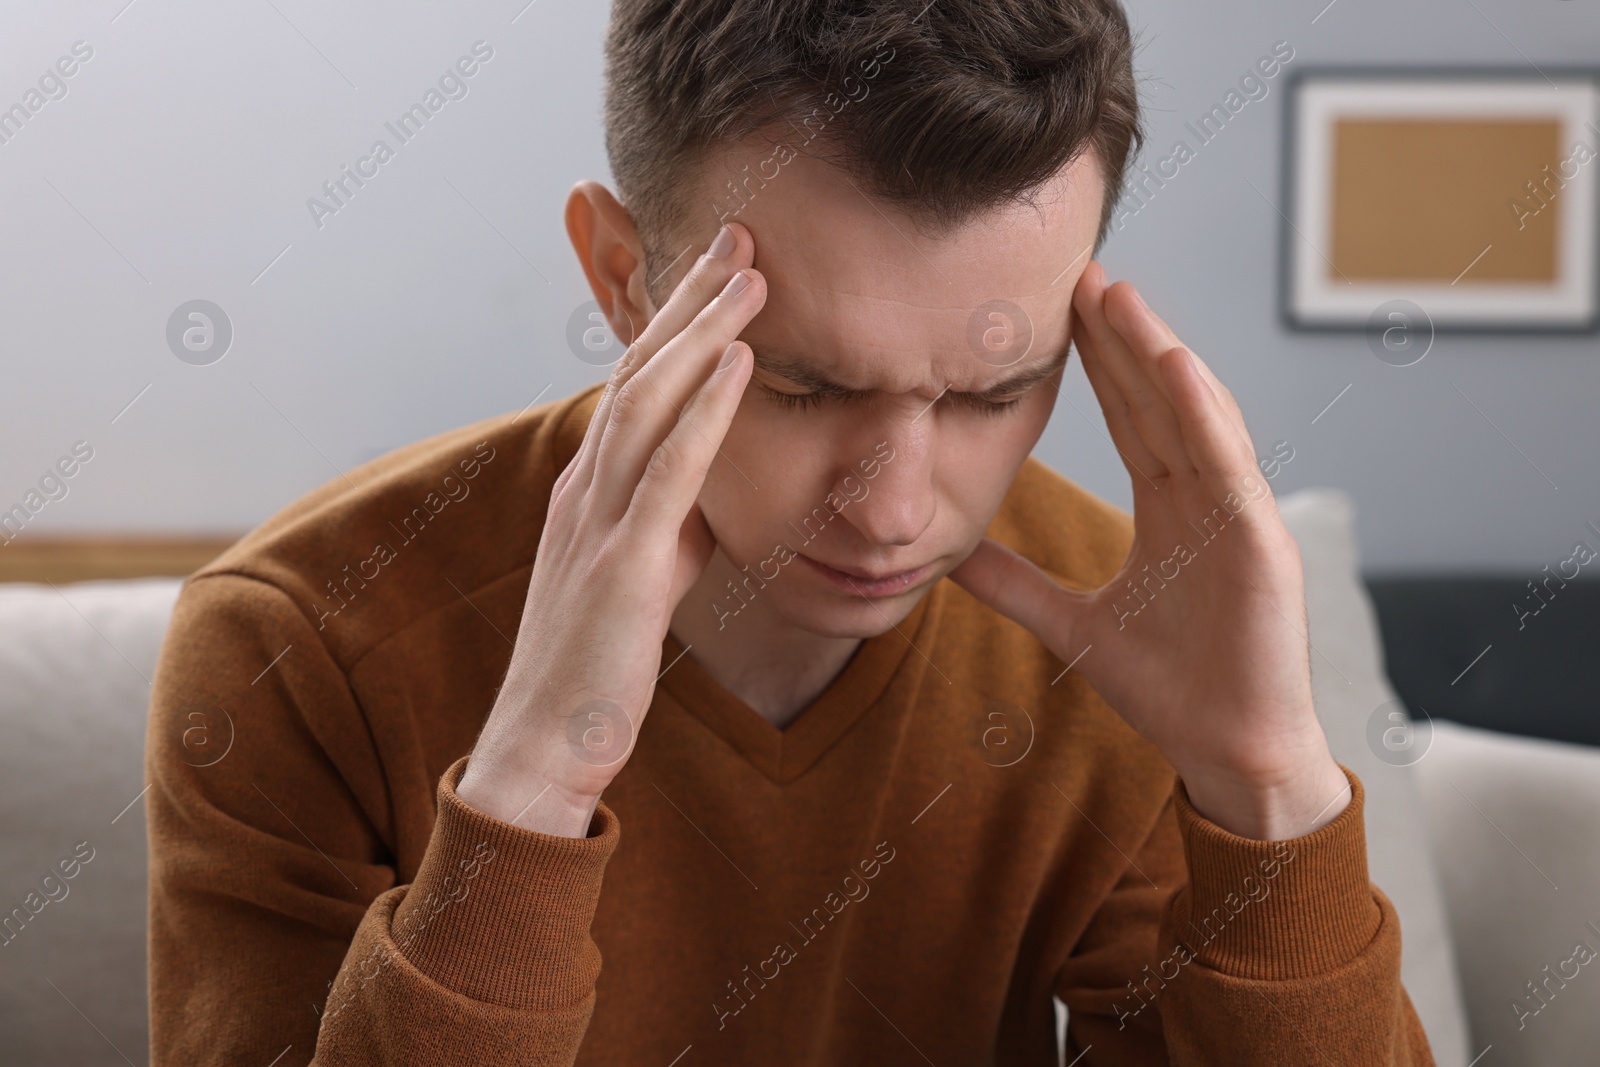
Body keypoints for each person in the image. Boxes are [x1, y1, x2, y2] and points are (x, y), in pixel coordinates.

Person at [145, 1, 1436, 1063]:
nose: (893, 512)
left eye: (994, 392)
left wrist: (1266, 786)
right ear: (620, 275)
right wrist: (531, 784)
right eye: (799, 387)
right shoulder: (298, 638)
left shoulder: (1130, 635)